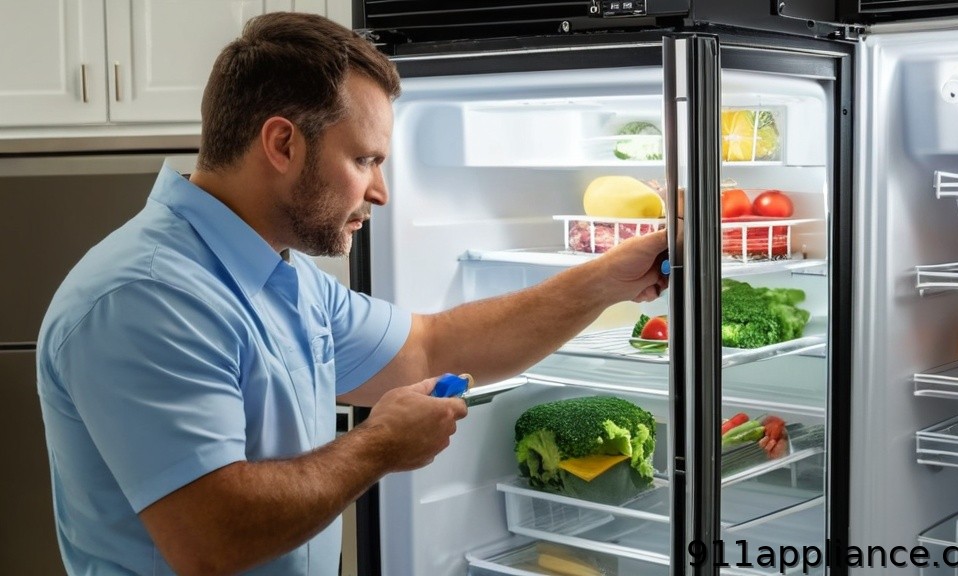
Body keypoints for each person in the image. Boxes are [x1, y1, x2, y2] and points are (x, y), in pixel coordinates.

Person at [36, 11, 669, 576]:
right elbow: (212, 541)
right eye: (365, 159)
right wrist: (379, 445)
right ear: (282, 143)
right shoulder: (148, 296)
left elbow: (431, 348)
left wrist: (607, 278)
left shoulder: (281, 277)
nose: (381, 191)